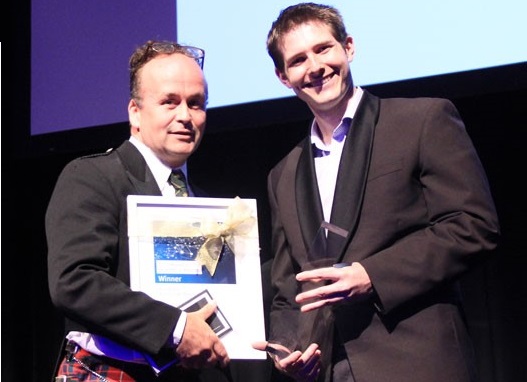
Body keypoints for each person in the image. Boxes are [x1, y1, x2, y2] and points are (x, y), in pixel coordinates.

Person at [252, 3, 500, 382]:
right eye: (298, 59)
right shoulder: (282, 175)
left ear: (348, 47)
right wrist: (287, 347)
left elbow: (473, 226)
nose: (315, 66)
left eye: (323, 49)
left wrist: (373, 275)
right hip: (332, 371)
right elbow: (288, 286)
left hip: (419, 363)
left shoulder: (422, 121)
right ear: (283, 77)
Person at [46, 40, 233, 382]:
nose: (185, 116)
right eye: (169, 102)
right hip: (105, 373)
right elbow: (74, 281)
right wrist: (176, 329)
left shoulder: (205, 204)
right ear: (135, 112)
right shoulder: (94, 176)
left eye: (196, 104)